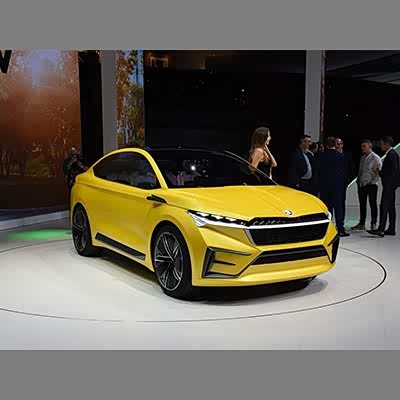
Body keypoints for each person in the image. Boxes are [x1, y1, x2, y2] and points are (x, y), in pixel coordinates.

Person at [368, 136, 400, 237]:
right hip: (391, 185)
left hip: (389, 186)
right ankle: (391, 229)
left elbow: (393, 171)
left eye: (381, 144)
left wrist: (380, 172)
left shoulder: (391, 155)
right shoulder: (392, 154)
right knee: (390, 207)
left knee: (384, 207)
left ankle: (381, 229)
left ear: (387, 144)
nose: (380, 146)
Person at [317, 137, 349, 237]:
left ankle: (327, 229)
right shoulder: (341, 156)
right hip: (337, 186)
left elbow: (318, 172)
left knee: (327, 208)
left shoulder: (321, 156)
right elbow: (345, 172)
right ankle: (340, 228)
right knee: (339, 208)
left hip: (325, 187)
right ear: (335, 144)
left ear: (326, 145)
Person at [351, 139, 382, 231]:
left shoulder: (375, 158)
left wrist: (371, 180)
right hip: (362, 184)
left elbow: (379, 171)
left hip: (371, 185)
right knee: (362, 204)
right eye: (362, 146)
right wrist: (358, 181)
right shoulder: (363, 158)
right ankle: (362, 223)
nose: (362, 148)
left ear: (370, 147)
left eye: (364, 146)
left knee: (373, 204)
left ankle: (373, 223)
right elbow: (360, 171)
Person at [335, 138, 353, 223]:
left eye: (339, 144)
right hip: (333, 182)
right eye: (336, 144)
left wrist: (348, 180)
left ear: (342, 144)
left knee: (342, 202)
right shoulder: (333, 155)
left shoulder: (347, 155)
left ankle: (341, 221)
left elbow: (350, 168)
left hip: (343, 182)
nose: (337, 146)